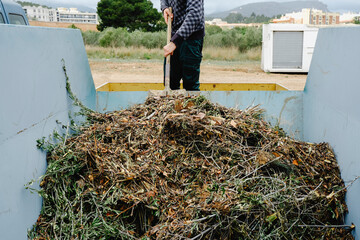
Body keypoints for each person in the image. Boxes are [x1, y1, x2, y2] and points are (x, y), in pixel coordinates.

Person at [161, 0, 205, 91]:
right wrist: (164, 7)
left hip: (191, 38)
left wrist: (175, 42)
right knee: (169, 82)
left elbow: (195, 14)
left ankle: (191, 104)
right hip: (174, 34)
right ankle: (172, 105)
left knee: (190, 85)